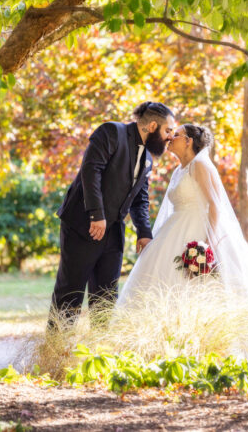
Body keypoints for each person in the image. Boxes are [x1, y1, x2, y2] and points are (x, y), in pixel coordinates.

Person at [117, 123, 248, 355]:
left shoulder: (200, 164)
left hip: (198, 233)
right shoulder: (181, 169)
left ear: (189, 140)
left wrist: (207, 245)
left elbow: (214, 205)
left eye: (176, 135)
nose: (170, 138)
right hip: (174, 232)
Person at [47, 101, 175, 329]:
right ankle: (57, 354)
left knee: (106, 298)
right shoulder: (111, 131)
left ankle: (99, 355)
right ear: (153, 125)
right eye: (168, 130)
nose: (170, 137)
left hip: (114, 234)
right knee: (70, 293)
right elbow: (91, 170)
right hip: (82, 225)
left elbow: (140, 198)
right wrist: (97, 214)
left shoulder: (147, 157)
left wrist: (144, 233)